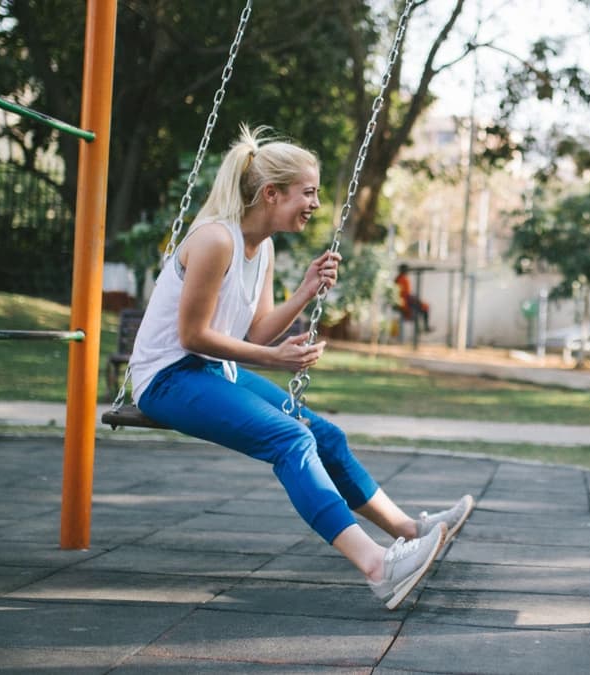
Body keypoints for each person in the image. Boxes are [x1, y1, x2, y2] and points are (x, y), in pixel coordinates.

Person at [128, 125, 474, 610]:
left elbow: (258, 332)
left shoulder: (262, 247)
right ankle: (378, 567)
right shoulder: (214, 240)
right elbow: (193, 336)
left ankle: (410, 530)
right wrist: (274, 360)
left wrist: (306, 290)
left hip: (209, 373)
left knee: (324, 435)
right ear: (271, 193)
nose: (314, 203)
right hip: (167, 377)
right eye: (307, 192)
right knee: (291, 439)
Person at [394, 263, 431, 332]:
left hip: (407, 301)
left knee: (424, 307)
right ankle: (423, 328)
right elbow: (403, 294)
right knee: (420, 310)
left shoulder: (401, 278)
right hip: (405, 302)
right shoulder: (400, 279)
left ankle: (423, 328)